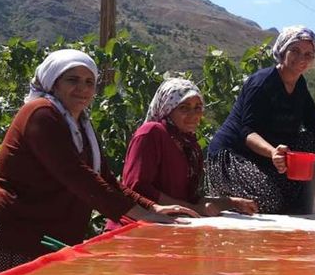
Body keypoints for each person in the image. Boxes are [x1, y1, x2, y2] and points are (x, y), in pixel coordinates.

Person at [0, 49, 198, 275]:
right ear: (54, 83)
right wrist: (140, 214)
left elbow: (105, 179)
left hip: (41, 236)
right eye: (73, 80)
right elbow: (76, 176)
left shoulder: (80, 124)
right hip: (8, 236)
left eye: (89, 82)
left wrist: (152, 208)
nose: (83, 89)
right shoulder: (41, 113)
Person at [207, 26, 315, 214]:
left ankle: (290, 191)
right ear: (282, 50)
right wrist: (272, 152)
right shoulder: (262, 83)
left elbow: (313, 120)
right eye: (295, 50)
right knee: (269, 201)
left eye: (308, 54)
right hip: (234, 155)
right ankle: (225, 200)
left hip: (267, 159)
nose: (301, 58)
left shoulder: (299, 84)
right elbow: (247, 132)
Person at [108, 78, 257, 229]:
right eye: (184, 108)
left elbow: (188, 198)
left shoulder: (190, 145)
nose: (193, 115)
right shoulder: (151, 133)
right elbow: (137, 187)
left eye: (198, 107)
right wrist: (192, 209)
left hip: (169, 226)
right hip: (134, 227)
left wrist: (232, 203)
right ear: (168, 109)